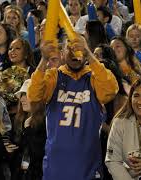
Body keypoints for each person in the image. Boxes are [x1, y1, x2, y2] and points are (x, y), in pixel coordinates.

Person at [27, 35, 119, 179]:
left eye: (79, 48)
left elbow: (110, 90)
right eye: (69, 48)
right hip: (55, 167)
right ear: (62, 54)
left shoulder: (94, 76)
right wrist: (44, 60)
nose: (74, 52)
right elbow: (34, 95)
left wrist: (89, 55)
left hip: (88, 166)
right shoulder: (54, 76)